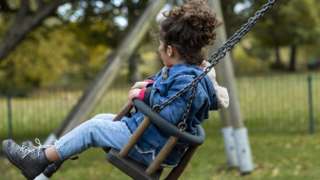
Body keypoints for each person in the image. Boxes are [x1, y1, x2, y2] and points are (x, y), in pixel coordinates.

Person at [2, 0, 227, 179]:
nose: (158, 50)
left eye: (159, 46)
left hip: (149, 147)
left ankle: (37, 161)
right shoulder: (186, 74)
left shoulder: (188, 81)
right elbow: (170, 98)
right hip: (149, 137)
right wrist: (150, 86)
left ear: (170, 50)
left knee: (93, 128)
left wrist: (146, 95)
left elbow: (171, 112)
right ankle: (51, 160)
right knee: (101, 119)